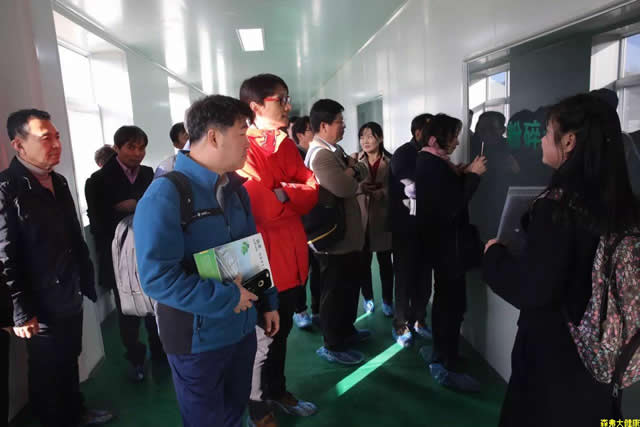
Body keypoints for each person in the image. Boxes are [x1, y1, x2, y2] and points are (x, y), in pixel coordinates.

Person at [482, 94, 639, 426]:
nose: (541, 139)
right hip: (605, 355)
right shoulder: (625, 205)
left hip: (556, 358)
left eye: (546, 131)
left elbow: (533, 289)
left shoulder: (558, 209)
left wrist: (494, 256)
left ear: (568, 141)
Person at [134, 95, 279, 427]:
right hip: (196, 339)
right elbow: (157, 277)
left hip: (240, 326)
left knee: (235, 412)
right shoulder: (165, 195)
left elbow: (249, 250)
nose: (248, 144)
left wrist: (267, 301)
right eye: (242, 134)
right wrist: (228, 297)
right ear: (214, 136)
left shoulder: (235, 189)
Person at [2, 109, 112, 426]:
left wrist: (86, 280)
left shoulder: (58, 181)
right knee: (46, 370)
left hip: (68, 290)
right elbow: (5, 256)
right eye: (45, 138)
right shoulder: (7, 188)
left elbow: (74, 236)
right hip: (38, 303)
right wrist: (20, 312)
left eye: (57, 136)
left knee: (69, 359)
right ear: (19, 145)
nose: (56, 144)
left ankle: (75, 412)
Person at [238, 74, 319, 427]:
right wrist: (290, 193)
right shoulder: (243, 145)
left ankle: (277, 390)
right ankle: (257, 407)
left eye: (288, 98)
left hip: (292, 255)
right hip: (259, 260)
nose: (288, 105)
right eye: (280, 99)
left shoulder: (284, 143)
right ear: (255, 106)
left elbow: (312, 188)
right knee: (261, 339)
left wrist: (283, 191)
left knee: (281, 332)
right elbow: (261, 207)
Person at [415, 113, 486, 392]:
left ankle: (441, 353)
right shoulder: (432, 164)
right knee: (451, 306)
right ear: (436, 139)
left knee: (446, 301)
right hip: (448, 248)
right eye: (454, 136)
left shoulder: (433, 161)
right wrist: (474, 176)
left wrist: (462, 173)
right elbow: (452, 205)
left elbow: (445, 193)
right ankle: (447, 363)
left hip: (442, 246)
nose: (457, 142)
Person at [85, 125, 162, 382]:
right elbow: (97, 224)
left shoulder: (150, 174)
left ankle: (160, 351)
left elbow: (161, 209)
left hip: (150, 252)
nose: (137, 153)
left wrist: (135, 205)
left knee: (156, 305)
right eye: (131, 147)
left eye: (142, 148)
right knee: (128, 310)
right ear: (117, 148)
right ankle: (136, 359)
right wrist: (123, 213)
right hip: (119, 258)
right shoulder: (97, 181)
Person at [306, 99, 371, 365]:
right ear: (324, 125)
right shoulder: (320, 155)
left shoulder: (335, 150)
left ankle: (346, 331)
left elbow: (362, 172)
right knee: (334, 292)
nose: (344, 126)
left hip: (346, 238)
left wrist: (352, 170)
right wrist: (353, 168)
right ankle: (332, 344)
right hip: (332, 239)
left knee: (348, 288)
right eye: (339, 122)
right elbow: (344, 187)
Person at [388, 113, 434, 347]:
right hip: (405, 227)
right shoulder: (403, 154)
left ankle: (419, 320)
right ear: (418, 133)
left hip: (426, 226)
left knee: (424, 276)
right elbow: (412, 187)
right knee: (405, 277)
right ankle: (401, 324)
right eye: (430, 132)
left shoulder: (431, 154)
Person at [352, 122, 394, 317]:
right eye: (362, 137)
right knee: (363, 263)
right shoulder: (354, 160)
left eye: (370, 136)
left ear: (380, 138)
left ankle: (387, 301)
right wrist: (361, 189)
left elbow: (397, 187)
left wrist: (383, 192)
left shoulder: (390, 161)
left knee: (386, 264)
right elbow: (347, 185)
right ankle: (368, 298)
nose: (365, 141)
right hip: (361, 218)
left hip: (383, 218)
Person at [291, 115, 321, 329]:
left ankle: (318, 310)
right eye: (312, 129)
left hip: (318, 224)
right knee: (301, 270)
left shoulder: (318, 154)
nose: (316, 133)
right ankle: (300, 310)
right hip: (300, 225)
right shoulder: (294, 158)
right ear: (300, 135)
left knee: (318, 269)